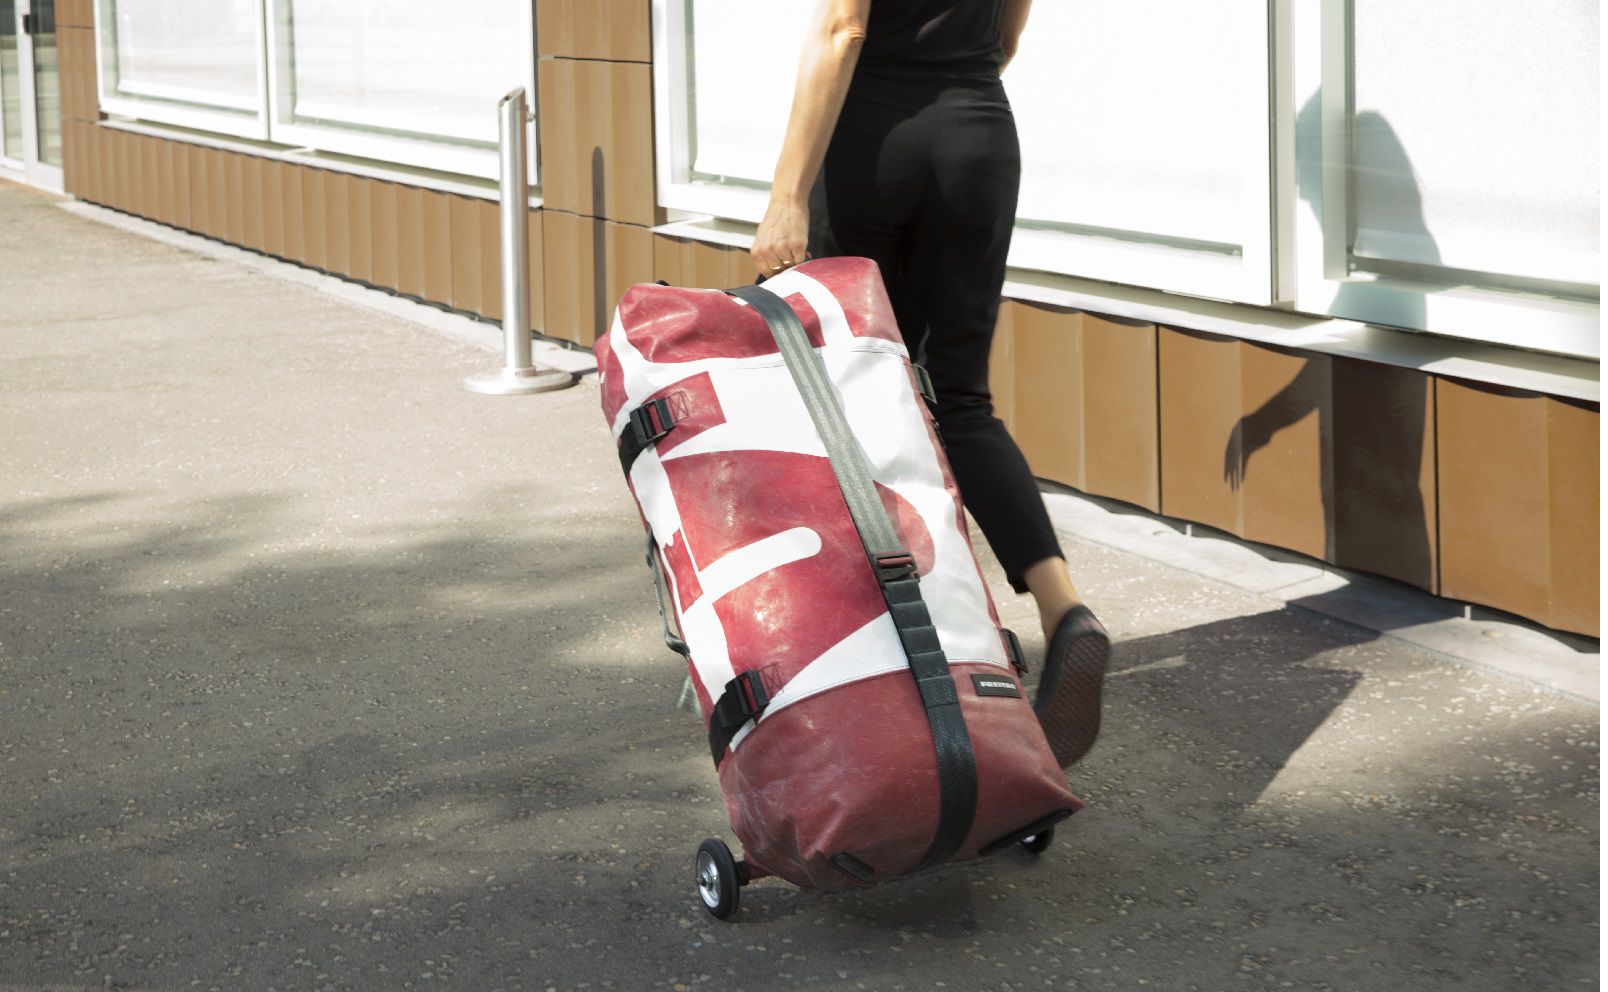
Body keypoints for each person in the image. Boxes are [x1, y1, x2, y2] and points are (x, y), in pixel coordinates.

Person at [751, 0, 1110, 769]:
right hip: (977, 133)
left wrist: (786, 194)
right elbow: (1008, 33)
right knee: (959, 398)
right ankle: (1064, 610)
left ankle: (909, 645)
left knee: (857, 394)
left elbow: (843, 30)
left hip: (872, 144)